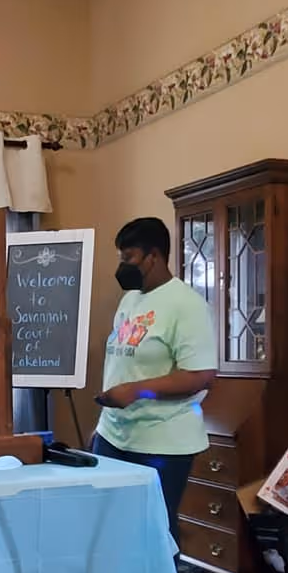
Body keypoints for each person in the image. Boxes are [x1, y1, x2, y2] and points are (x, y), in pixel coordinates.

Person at [92, 216, 216, 553]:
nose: (122, 265)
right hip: (113, 435)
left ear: (154, 257)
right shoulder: (131, 298)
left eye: (128, 257)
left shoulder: (187, 305)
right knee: (107, 529)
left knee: (152, 534)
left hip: (162, 442)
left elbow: (200, 376)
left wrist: (135, 392)